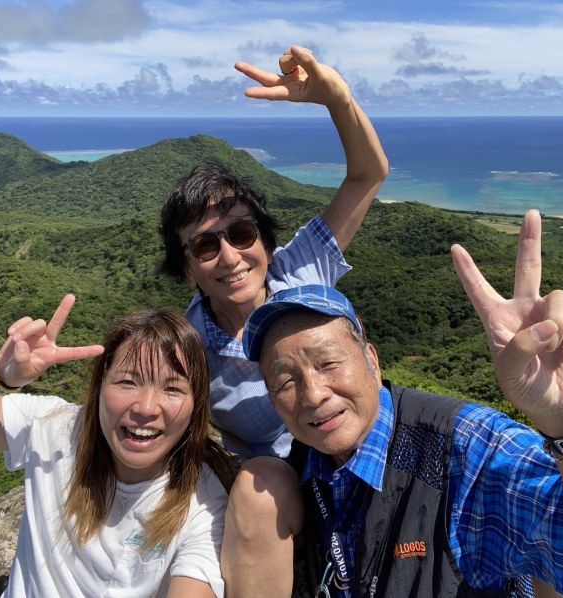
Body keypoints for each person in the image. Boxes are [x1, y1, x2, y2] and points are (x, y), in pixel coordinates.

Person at [241, 210, 563, 596]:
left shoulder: (462, 450)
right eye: (285, 381)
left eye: (328, 363)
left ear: (371, 359)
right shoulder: (304, 467)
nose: (313, 394)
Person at [159, 46, 388, 594]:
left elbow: (367, 176)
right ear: (188, 270)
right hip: (279, 495)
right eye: (206, 246)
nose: (231, 257)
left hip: (366, 457)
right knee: (262, 480)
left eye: (241, 235)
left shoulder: (300, 271)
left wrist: (337, 99)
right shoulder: (189, 347)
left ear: (265, 240)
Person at [0, 295, 235, 597]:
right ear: (99, 388)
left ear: (196, 406)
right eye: (127, 382)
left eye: (173, 389)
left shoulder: (202, 500)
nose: (146, 407)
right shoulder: (57, 430)